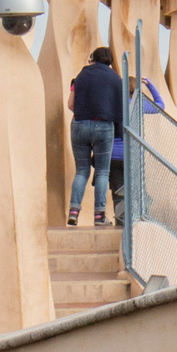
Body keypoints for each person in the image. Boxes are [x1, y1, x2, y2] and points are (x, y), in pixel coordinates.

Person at [68, 47, 121, 227]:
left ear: (93, 59)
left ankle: (74, 211)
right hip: (103, 126)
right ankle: (99, 216)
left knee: (81, 170)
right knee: (102, 172)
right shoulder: (115, 79)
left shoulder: (81, 76)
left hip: (79, 124)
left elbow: (70, 104)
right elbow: (120, 109)